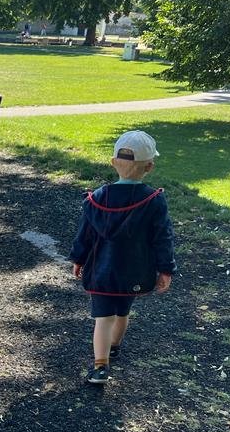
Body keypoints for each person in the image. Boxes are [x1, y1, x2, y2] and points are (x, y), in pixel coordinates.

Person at [70, 130, 176, 385]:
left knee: (103, 317)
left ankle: (100, 365)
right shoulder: (153, 200)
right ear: (149, 166)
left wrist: (78, 259)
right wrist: (165, 269)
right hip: (134, 270)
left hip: (101, 270)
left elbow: (84, 235)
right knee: (122, 312)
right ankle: (114, 346)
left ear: (113, 162)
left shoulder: (97, 199)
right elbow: (162, 237)